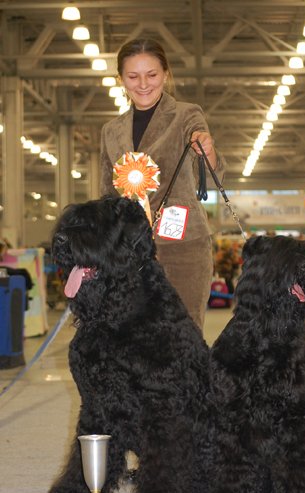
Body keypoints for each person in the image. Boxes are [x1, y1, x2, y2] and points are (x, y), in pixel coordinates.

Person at [100, 38, 225, 330]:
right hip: (129, 252)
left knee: (185, 337)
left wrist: (207, 151)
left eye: (152, 74)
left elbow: (213, 171)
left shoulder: (187, 114)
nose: (143, 84)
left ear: (166, 74)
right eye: (133, 76)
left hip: (184, 248)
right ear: (121, 79)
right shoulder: (110, 130)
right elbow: (107, 195)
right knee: (133, 338)